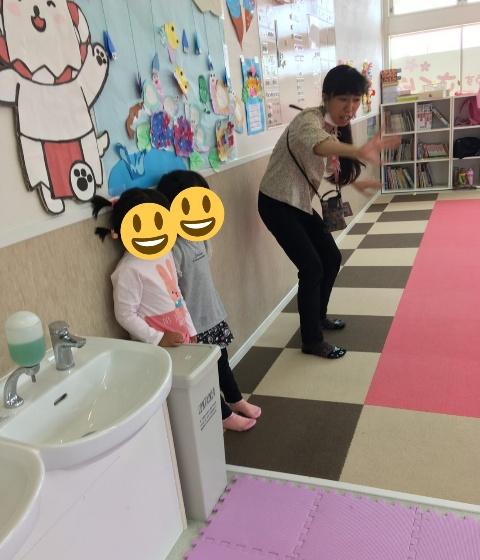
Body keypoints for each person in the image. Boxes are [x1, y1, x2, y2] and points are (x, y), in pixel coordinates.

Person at [258, 64, 400, 359]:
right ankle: (311, 340)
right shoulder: (307, 121)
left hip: (298, 202)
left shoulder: (334, 125)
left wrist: (357, 183)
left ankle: (318, 317)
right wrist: (358, 150)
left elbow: (332, 161)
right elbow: (321, 147)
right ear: (326, 97)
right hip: (276, 203)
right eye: (343, 99)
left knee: (331, 258)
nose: (350, 108)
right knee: (311, 267)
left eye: (356, 100)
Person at [157, 170, 261, 432]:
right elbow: (170, 290)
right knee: (206, 372)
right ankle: (224, 415)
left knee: (222, 360)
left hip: (212, 314)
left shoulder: (197, 237)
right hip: (193, 325)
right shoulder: (173, 248)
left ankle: (235, 399)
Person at [91, 188, 197, 348]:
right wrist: (158, 338)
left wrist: (190, 328)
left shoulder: (165, 252)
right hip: (157, 349)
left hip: (181, 337)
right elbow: (125, 315)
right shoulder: (129, 269)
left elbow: (176, 294)